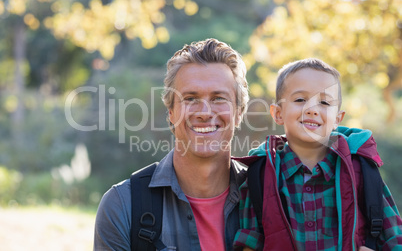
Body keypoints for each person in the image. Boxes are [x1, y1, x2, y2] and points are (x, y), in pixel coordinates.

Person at [94, 38, 250, 250]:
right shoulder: (123, 205)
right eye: (191, 99)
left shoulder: (267, 197)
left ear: (239, 113)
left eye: (218, 98)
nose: (204, 112)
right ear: (171, 113)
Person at [233, 58, 402, 250]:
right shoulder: (260, 175)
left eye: (324, 102)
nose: (312, 109)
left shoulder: (361, 170)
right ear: (278, 113)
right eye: (300, 100)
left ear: (338, 118)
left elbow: (395, 238)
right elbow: (249, 242)